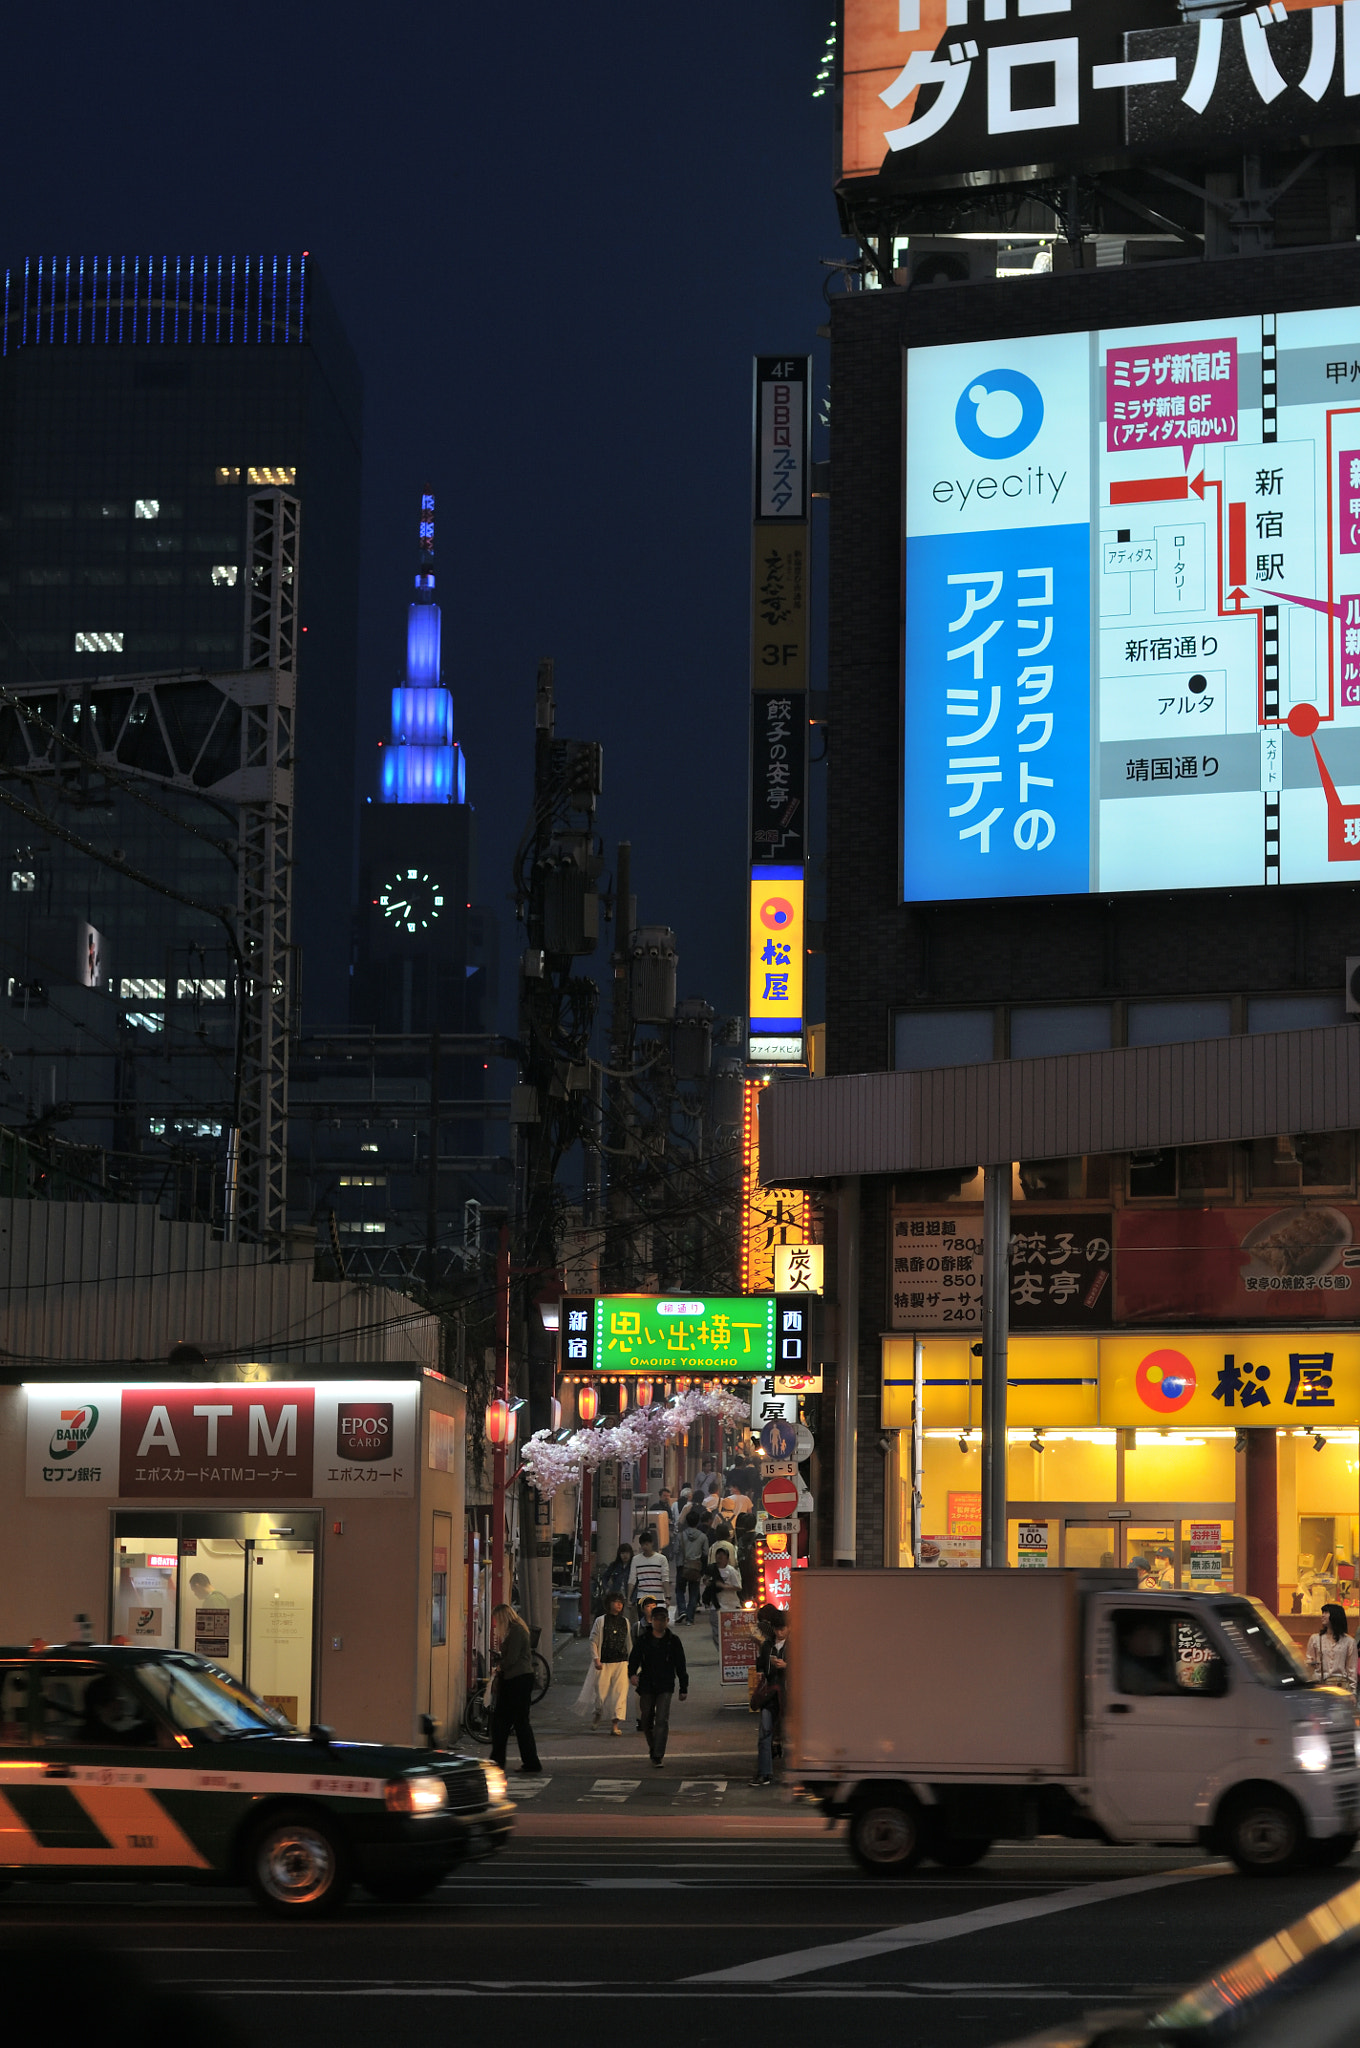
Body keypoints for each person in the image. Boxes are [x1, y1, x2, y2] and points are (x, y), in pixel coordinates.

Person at [628, 1598, 688, 1767]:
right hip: (646, 1684)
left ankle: (658, 1754)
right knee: (646, 1718)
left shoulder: (673, 1641)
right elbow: (634, 1659)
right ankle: (653, 1747)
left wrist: (684, 1687)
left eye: (663, 1619)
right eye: (657, 1619)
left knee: (662, 1719)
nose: (660, 1622)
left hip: (666, 1684)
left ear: (667, 1621)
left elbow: (680, 1664)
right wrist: (632, 1674)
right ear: (652, 1620)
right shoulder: (644, 1639)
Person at [489, 1603, 542, 1774]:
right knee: (516, 1722)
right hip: (519, 1679)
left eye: (497, 1620)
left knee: (509, 1722)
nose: (496, 1624)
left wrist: (499, 1667)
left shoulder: (516, 1632)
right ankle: (524, 1761)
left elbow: (511, 1658)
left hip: (516, 1680)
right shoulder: (518, 1629)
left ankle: (502, 1760)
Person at [751, 1609, 789, 1787]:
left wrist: (787, 1666)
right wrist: (767, 1668)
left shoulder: (795, 1645)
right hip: (770, 1694)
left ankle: (792, 1775)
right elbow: (761, 1668)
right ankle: (764, 1773)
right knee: (764, 1733)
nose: (779, 1632)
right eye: (776, 1629)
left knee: (789, 1736)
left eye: (783, 1629)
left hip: (789, 1696)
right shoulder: (767, 1645)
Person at [588, 1590, 633, 1734]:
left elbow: (628, 1643)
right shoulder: (601, 1621)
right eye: (616, 1602)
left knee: (620, 1694)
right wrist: (596, 1658)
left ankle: (615, 1724)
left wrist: (632, 1663)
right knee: (600, 1693)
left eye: (621, 1603)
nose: (619, 1605)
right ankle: (598, 1713)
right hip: (604, 1662)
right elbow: (593, 1641)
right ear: (609, 1604)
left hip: (621, 1661)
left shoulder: (625, 1622)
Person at [1307, 1603, 1358, 1692]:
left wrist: (1352, 1692)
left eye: (1326, 1612)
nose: (1322, 1615)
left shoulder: (1349, 1641)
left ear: (1335, 1615)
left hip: (1340, 1687)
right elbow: (1309, 1663)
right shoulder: (1315, 1639)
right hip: (1320, 1686)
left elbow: (1352, 1669)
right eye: (1322, 1612)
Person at [704, 1540, 743, 1650]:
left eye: (722, 1555)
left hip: (730, 1606)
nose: (720, 1557)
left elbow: (738, 1587)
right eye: (718, 1554)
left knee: (732, 1633)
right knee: (717, 1633)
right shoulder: (712, 1569)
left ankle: (730, 1651)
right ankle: (721, 1653)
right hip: (716, 1606)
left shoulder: (731, 1571)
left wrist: (724, 1586)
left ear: (727, 1557)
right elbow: (705, 1580)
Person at [627, 1529, 671, 1619]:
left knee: (657, 1623)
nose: (644, 1547)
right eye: (643, 1544)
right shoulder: (636, 1559)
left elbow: (665, 1578)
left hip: (658, 1597)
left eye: (646, 1544)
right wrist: (629, 1597)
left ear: (652, 1543)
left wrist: (667, 1596)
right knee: (644, 1623)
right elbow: (632, 1579)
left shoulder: (661, 1559)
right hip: (642, 1597)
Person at [675, 1515, 710, 1626]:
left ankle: (682, 1610)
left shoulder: (680, 1536)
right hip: (695, 1567)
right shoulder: (703, 1537)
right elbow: (706, 1553)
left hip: (682, 1566)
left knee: (680, 1590)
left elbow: (676, 1550)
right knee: (694, 1592)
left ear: (686, 1522)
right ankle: (690, 1618)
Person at [598, 1542, 634, 1609]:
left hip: (629, 1597)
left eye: (627, 1553)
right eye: (622, 1553)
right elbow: (605, 1577)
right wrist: (606, 1589)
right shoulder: (614, 1565)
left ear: (630, 1554)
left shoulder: (633, 1566)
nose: (625, 1555)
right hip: (616, 1596)